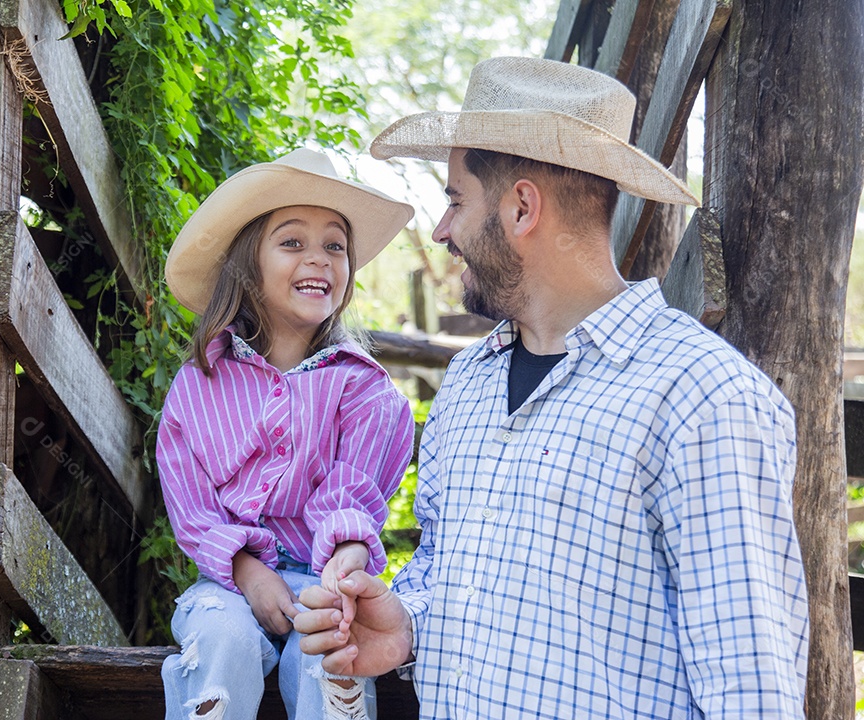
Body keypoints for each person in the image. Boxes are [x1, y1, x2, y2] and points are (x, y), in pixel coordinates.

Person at [295, 56, 809, 719]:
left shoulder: (704, 401)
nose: (442, 231)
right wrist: (407, 623)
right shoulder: (467, 387)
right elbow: (448, 561)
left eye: (455, 200)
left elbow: (751, 696)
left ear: (521, 207)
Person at [158, 147, 416, 720]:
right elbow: (193, 511)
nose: (319, 259)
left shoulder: (363, 390)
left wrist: (346, 564)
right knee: (219, 641)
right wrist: (249, 574)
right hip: (229, 586)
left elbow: (353, 497)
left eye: (335, 246)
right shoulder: (198, 388)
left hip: (327, 579)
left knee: (330, 654)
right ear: (249, 266)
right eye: (293, 242)